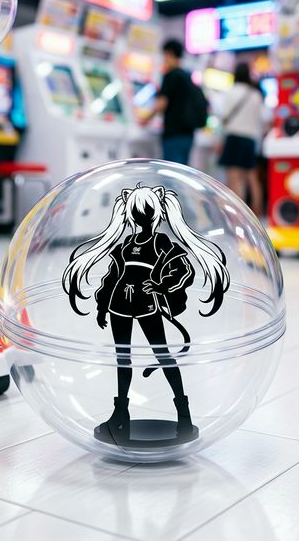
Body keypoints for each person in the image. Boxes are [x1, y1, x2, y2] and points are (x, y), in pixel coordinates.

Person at [62, 185, 229, 445]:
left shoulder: (161, 242)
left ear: (156, 213)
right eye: (137, 212)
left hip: (148, 305)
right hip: (118, 305)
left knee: (163, 354)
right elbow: (112, 276)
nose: (141, 217)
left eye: (146, 211)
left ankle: (183, 414)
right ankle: (120, 414)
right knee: (123, 359)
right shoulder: (126, 244)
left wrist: (162, 286)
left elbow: (184, 269)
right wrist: (103, 305)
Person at [218, 62, 265, 216]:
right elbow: (261, 119)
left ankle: (238, 215)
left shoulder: (230, 92)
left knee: (234, 178)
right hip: (250, 140)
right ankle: (257, 209)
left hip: (234, 138)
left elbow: (223, 117)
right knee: (252, 177)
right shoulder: (256, 95)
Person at [151, 40, 198, 165]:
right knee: (181, 171)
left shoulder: (170, 75)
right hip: (188, 134)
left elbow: (161, 104)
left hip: (174, 133)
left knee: (169, 171)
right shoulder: (187, 76)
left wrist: (146, 119)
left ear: (169, 53)